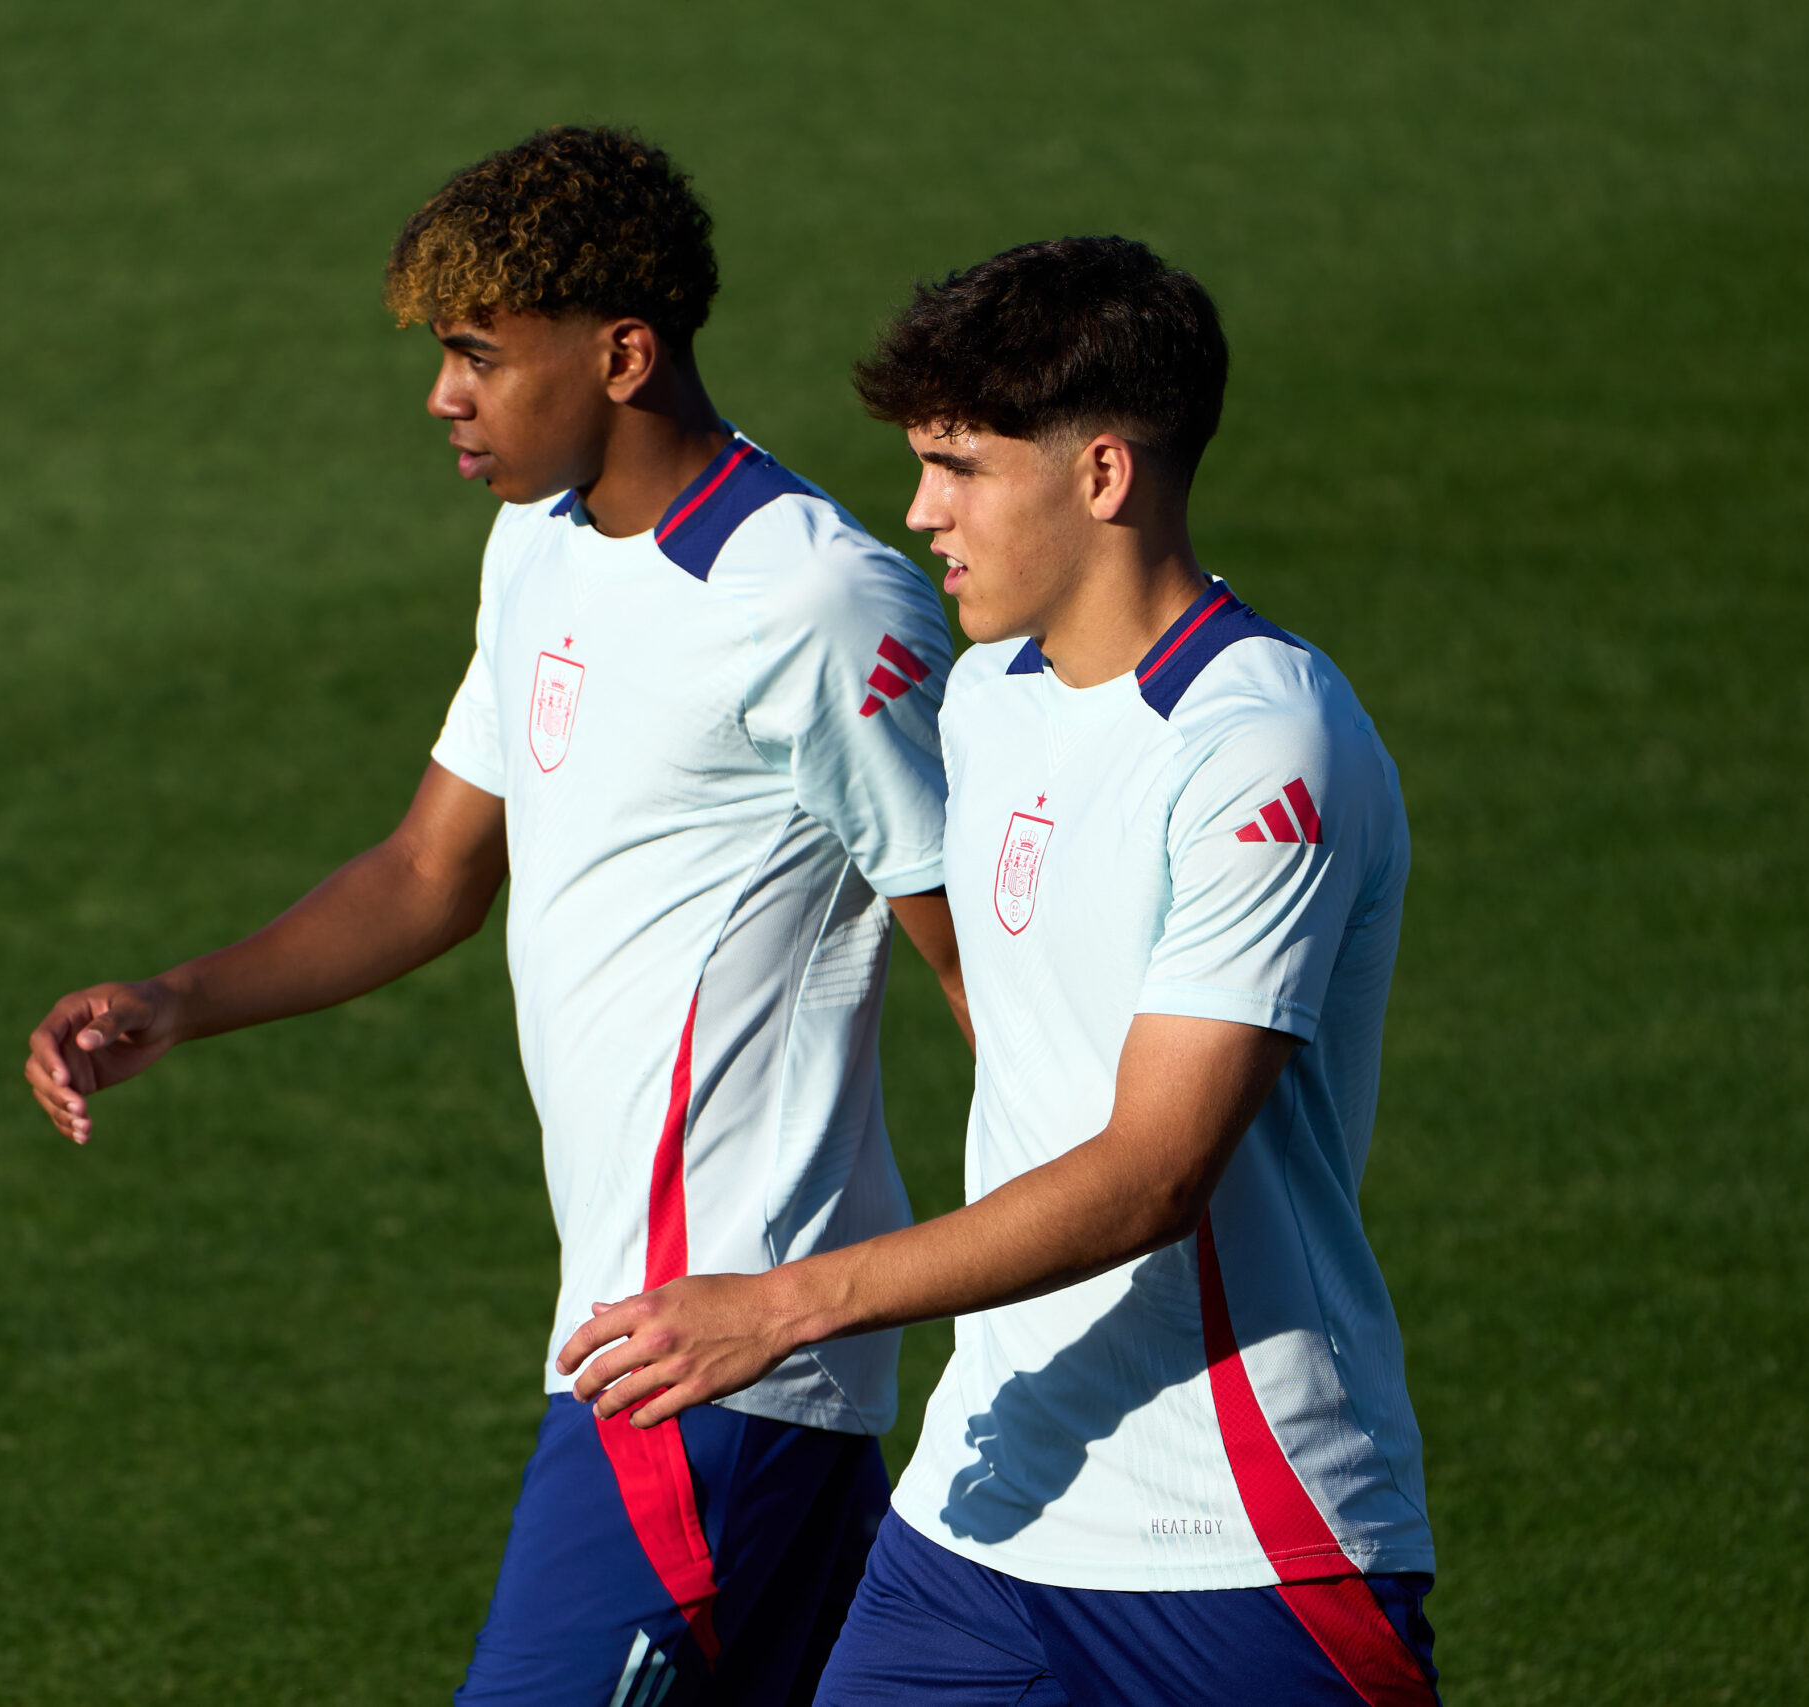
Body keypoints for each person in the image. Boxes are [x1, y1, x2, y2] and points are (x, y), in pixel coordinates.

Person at [21, 126, 969, 1707]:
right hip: (659, 1337)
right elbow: (429, 872)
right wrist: (182, 998)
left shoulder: (812, 604)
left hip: (710, 1350)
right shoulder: (539, 541)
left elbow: (978, 970)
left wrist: (1096, 1241)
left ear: (622, 355)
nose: (441, 397)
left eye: (477, 355)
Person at [560, 236, 1440, 1705]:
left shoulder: (1260, 748)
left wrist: (782, 1305)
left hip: (1242, 1540)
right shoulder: (987, 698)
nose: (922, 512)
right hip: (980, 1516)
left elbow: (1155, 1173)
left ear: (1102, 474)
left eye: (959, 466)